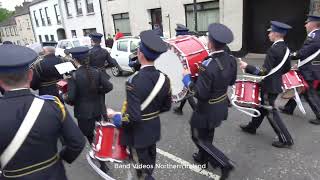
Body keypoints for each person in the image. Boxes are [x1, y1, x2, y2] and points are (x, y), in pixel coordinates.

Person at [0, 44, 85, 179]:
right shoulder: (53, 105)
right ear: (29, 74)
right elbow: (77, 142)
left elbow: (35, 84)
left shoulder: (40, 66)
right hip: (53, 174)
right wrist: (59, 159)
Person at [109, 30, 172, 180]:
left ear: (140, 54)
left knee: (143, 172)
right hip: (153, 129)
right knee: (149, 165)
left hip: (138, 134)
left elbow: (133, 118)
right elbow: (166, 107)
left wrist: (115, 116)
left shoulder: (133, 81)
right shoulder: (165, 78)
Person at [182, 23, 237, 180]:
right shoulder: (231, 59)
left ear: (210, 43)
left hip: (206, 108)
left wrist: (186, 78)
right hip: (220, 105)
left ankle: (223, 163)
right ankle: (203, 158)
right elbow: (231, 81)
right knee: (208, 133)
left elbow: (200, 94)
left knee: (197, 136)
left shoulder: (208, 65)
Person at [239, 21, 294, 148]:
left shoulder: (273, 50)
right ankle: (252, 127)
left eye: (270, 32)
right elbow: (286, 68)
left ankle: (286, 139)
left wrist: (247, 66)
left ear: (275, 34)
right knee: (262, 107)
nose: (268, 34)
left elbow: (263, 71)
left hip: (269, 86)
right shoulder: (286, 48)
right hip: (275, 84)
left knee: (270, 112)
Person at [64, 46, 113, 173]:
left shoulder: (74, 76)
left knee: (91, 137)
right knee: (100, 135)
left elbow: (71, 98)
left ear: (75, 60)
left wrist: (64, 96)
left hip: (84, 113)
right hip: (98, 109)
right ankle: (103, 161)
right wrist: (98, 91)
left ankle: (102, 162)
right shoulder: (97, 71)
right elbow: (109, 86)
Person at [279, 15, 320, 125]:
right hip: (310, 67)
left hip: (309, 70)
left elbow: (304, 52)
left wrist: (289, 55)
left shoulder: (315, 36)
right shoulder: (316, 35)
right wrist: (298, 64)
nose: (305, 25)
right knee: (298, 88)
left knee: (309, 92)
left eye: (307, 22)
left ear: (313, 24)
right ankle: (289, 108)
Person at [88, 32, 119, 121]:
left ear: (92, 41)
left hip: (92, 77)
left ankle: (100, 117)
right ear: (100, 41)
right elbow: (113, 63)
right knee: (101, 97)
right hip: (102, 76)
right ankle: (104, 116)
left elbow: (86, 66)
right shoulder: (104, 51)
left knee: (94, 98)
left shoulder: (89, 52)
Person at [173, 24, 197, 115]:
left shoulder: (178, 44)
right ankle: (180, 109)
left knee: (187, 93)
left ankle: (196, 112)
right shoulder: (191, 42)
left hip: (184, 72)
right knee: (186, 91)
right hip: (193, 70)